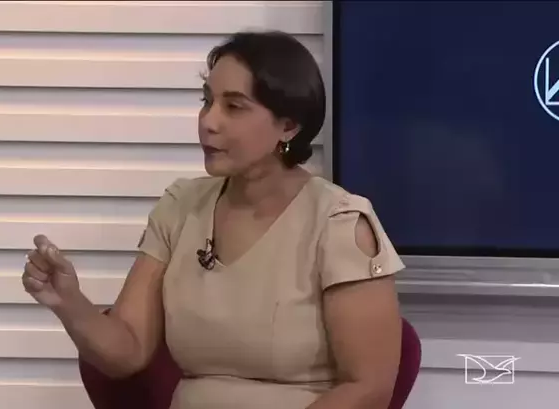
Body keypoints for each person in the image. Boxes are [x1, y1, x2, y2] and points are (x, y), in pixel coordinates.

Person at [22, 30, 405, 409]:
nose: (208, 121)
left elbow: (368, 388)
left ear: (288, 125)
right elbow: (128, 351)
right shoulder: (181, 207)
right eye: (207, 101)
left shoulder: (340, 223)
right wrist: (68, 301)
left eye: (234, 107)